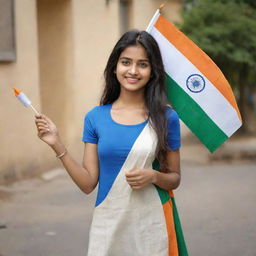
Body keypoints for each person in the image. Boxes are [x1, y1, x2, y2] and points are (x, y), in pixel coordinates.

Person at [35, 29, 184, 256]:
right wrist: (57, 144)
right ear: (115, 67)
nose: (133, 71)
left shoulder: (166, 118)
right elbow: (87, 184)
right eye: (126, 62)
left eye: (143, 64)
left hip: (151, 223)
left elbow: (174, 178)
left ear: (153, 71)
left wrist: (153, 176)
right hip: (108, 220)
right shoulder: (95, 117)